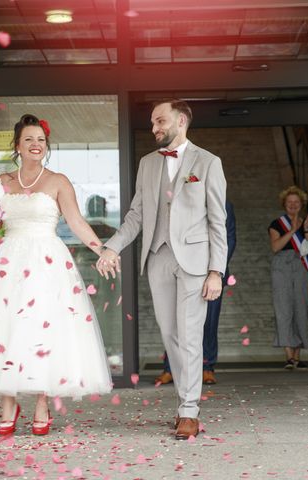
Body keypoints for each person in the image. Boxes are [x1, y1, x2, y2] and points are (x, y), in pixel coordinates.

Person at [0, 114, 113, 436]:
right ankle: (8, 400)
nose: (35, 145)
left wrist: (102, 250)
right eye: (29, 140)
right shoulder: (2, 182)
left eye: (40, 140)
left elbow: (77, 222)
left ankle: (42, 401)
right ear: (18, 146)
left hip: (47, 262)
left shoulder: (58, 181)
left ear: (46, 145)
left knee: (42, 328)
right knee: (4, 327)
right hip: (8, 261)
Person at [96, 99, 227, 440]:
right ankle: (185, 402)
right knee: (171, 336)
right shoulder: (147, 164)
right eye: (153, 122)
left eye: (160, 121)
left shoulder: (209, 162)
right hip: (158, 258)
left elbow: (218, 221)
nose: (155, 128)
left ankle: (189, 410)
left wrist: (217, 270)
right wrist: (112, 246)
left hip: (196, 262)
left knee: (190, 335)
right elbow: (136, 215)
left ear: (181, 120)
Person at [155, 199, 236, 386]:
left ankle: (207, 367)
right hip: (184, 270)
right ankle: (170, 368)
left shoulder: (224, 204)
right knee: (175, 321)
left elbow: (230, 238)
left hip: (212, 274)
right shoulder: (182, 199)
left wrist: (215, 268)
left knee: (209, 321)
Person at [268, 186, 308, 369]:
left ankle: (298, 355)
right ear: (284, 204)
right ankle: (288, 355)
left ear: (301, 204)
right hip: (282, 267)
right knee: (284, 308)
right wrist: (292, 230)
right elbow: (275, 247)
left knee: (300, 307)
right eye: (290, 202)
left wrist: (305, 230)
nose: (293, 205)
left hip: (301, 266)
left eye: (296, 202)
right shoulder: (276, 224)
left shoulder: (307, 223)